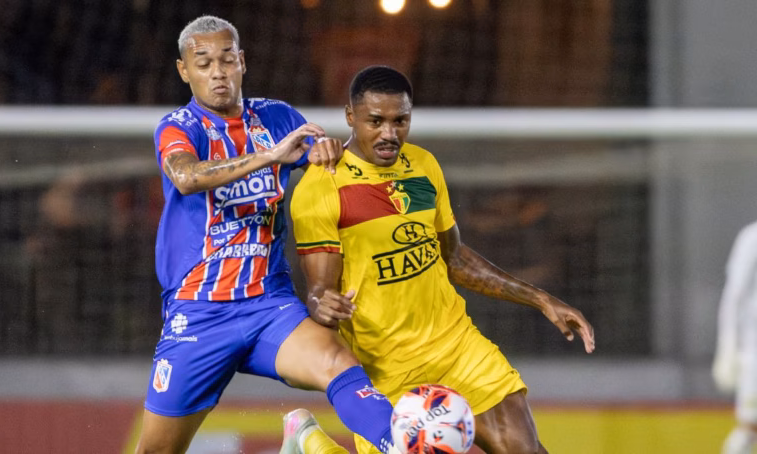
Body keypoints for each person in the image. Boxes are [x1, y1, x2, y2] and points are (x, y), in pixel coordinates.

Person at [289, 66, 596, 454]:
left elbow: (453, 258)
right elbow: (319, 291)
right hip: (387, 369)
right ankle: (311, 443)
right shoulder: (322, 186)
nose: (389, 133)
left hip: (456, 349)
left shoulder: (422, 166)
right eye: (376, 121)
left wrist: (540, 299)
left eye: (400, 121)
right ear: (351, 116)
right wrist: (323, 304)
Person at [135, 16, 397, 454]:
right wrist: (269, 157)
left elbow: (329, 171)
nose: (217, 72)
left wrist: (328, 151)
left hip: (268, 306)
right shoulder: (179, 126)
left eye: (226, 59)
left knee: (337, 361)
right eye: (203, 63)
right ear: (184, 70)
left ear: (242, 61)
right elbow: (186, 177)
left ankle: (402, 443)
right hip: (199, 313)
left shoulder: (278, 117)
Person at [713, 221, 757, 454]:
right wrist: (727, 348)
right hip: (754, 353)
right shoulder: (752, 237)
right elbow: (733, 296)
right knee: (749, 428)